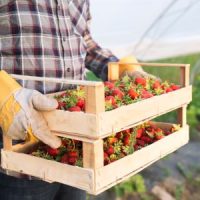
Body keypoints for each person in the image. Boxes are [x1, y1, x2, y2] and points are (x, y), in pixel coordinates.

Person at [0, 1, 151, 200]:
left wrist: (116, 68)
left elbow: (84, 41)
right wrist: (4, 95)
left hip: (78, 147)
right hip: (20, 153)